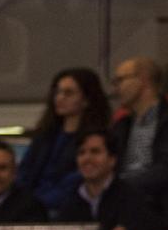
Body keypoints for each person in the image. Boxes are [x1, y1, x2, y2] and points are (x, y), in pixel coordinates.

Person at [109, 57, 168, 230]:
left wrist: (123, 186)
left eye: (121, 80)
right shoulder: (123, 123)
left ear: (143, 79)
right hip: (125, 198)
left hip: (159, 202)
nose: (116, 88)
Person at [16, 67, 110, 215]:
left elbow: (76, 181)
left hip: (63, 209)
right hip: (31, 206)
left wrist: (36, 203)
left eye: (68, 93)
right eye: (57, 92)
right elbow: (25, 172)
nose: (60, 98)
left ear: (86, 100)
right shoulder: (45, 135)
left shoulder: (94, 139)